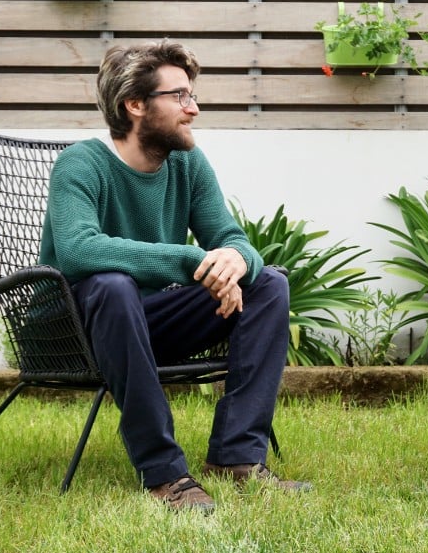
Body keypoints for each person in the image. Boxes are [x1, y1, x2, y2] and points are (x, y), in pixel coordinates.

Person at [39, 40, 308, 512]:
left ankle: (236, 458)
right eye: (180, 97)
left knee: (268, 284)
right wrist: (190, 261)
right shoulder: (81, 163)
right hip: (77, 330)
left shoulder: (187, 163)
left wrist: (237, 260)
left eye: (193, 95)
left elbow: (229, 235)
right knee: (111, 284)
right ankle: (163, 473)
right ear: (136, 105)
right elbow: (79, 250)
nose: (194, 109)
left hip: (148, 325)